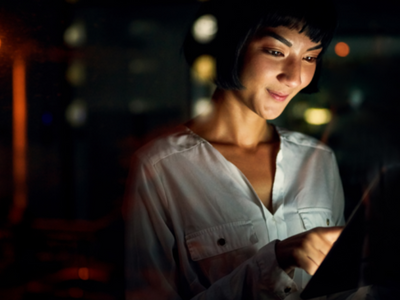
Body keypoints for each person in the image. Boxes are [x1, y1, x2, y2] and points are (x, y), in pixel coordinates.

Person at [124, 0, 357, 299]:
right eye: (276, 52)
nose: (295, 76)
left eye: (310, 57)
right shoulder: (161, 167)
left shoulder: (318, 159)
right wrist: (279, 258)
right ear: (232, 45)